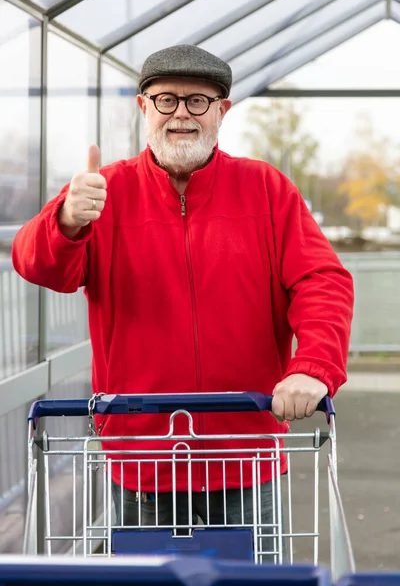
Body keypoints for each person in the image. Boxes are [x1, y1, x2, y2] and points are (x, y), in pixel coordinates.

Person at [12, 44, 354, 559]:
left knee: (253, 578)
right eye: (166, 99)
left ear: (223, 110)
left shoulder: (266, 189)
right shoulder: (105, 192)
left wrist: (312, 367)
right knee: (145, 577)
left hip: (245, 446)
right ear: (143, 108)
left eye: (198, 101)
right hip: (140, 457)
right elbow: (39, 265)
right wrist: (66, 220)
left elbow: (322, 280)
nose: (181, 115)